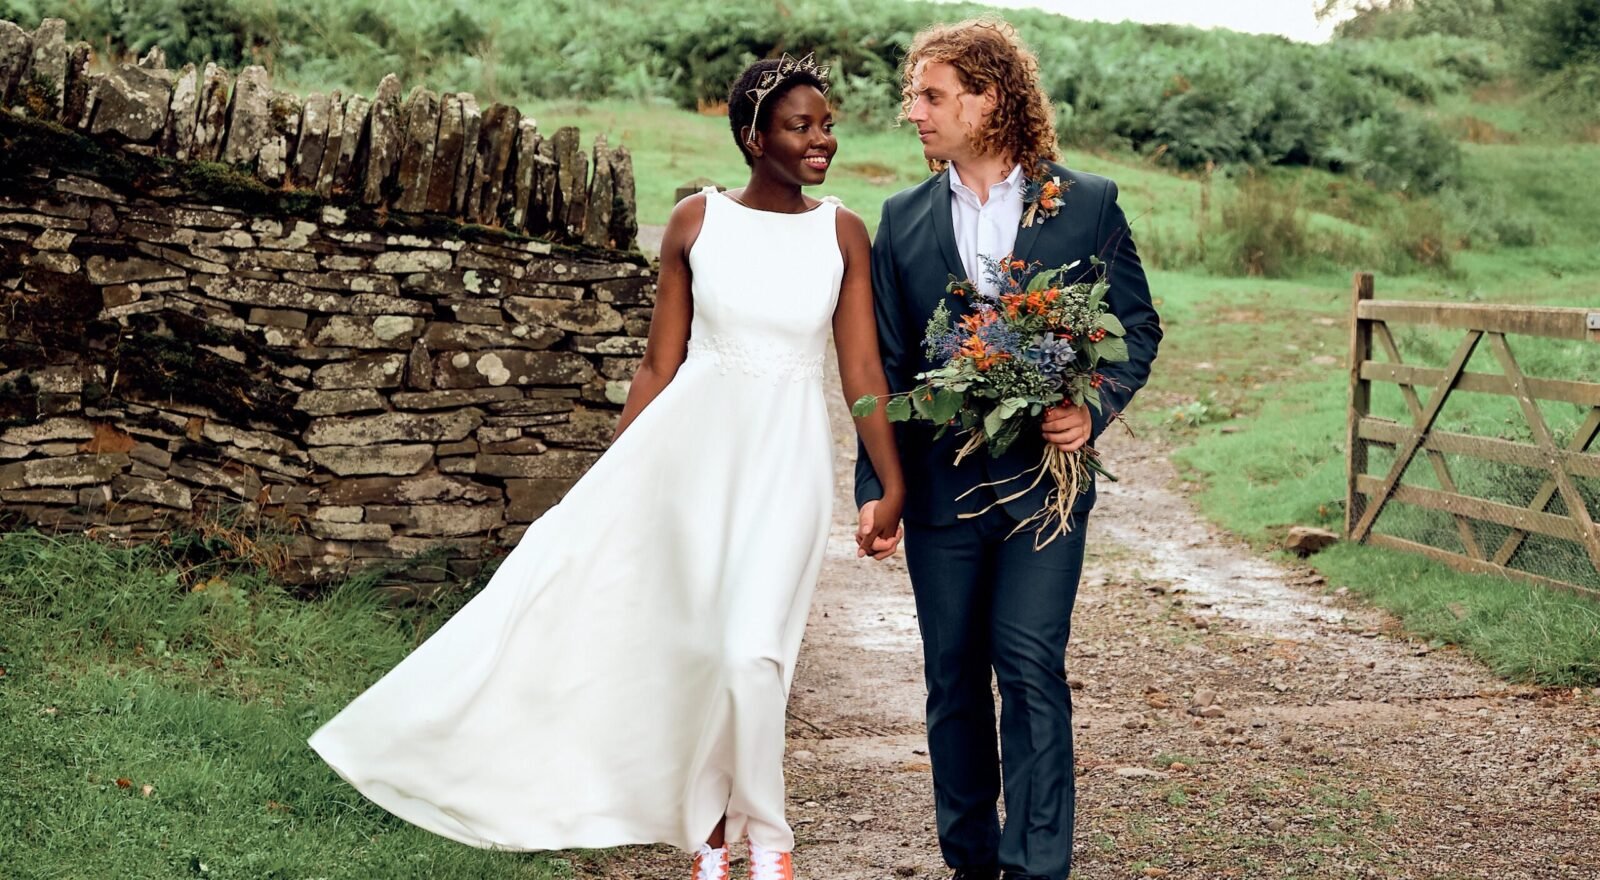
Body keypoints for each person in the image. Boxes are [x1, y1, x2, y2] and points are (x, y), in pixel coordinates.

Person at [309, 54, 905, 880]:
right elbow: (660, 367)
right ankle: (709, 829)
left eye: (827, 123)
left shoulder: (840, 232)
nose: (823, 140)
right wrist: (613, 473)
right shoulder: (698, 223)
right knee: (700, 651)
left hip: (787, 464)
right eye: (802, 125)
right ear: (752, 136)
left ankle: (769, 839)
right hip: (688, 462)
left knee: (752, 654)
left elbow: (863, 372)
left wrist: (890, 481)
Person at [855, 19, 1162, 880]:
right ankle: (971, 862)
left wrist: (1092, 408)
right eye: (914, 95)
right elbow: (882, 359)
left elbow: (1136, 325)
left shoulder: (1088, 202)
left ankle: (1036, 867)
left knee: (1030, 668)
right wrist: (875, 485)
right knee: (953, 678)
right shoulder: (902, 219)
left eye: (931, 95)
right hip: (942, 488)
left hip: (1045, 489)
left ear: (989, 100)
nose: (913, 111)